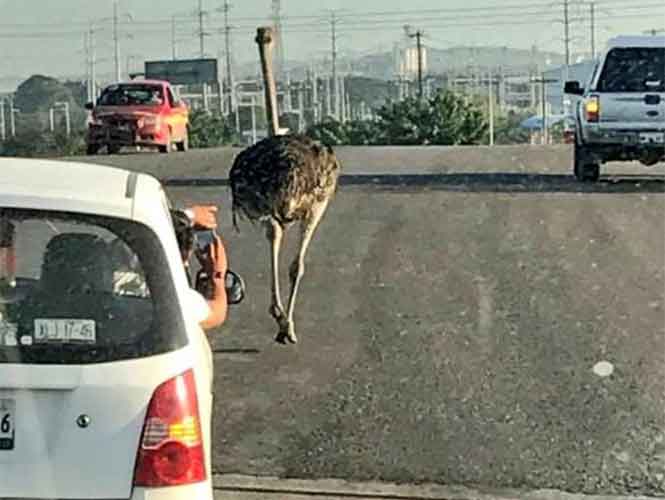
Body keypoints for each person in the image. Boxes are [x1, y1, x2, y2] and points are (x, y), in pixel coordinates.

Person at [171, 205, 228, 332]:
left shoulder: (120, 282)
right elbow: (217, 313)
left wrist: (188, 215)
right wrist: (217, 276)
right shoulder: (178, 300)